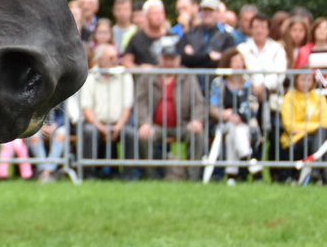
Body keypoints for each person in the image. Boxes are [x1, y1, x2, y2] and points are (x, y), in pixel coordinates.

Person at [133, 39, 208, 178]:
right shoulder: (147, 77)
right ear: (160, 59)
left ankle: (193, 177)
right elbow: (140, 103)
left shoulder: (188, 77)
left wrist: (197, 120)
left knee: (198, 135)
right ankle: (151, 177)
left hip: (182, 125)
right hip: (155, 126)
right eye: (166, 59)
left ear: (178, 60)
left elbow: (198, 102)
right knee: (144, 136)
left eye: (172, 59)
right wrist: (144, 123)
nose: (169, 62)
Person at [79, 44, 136, 179]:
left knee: (130, 133)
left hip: (119, 122)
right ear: (99, 60)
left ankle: (128, 175)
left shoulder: (125, 75)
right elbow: (87, 109)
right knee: (89, 131)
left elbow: (127, 107)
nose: (114, 61)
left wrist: (118, 127)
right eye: (110, 58)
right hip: (96, 123)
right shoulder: (89, 77)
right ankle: (89, 174)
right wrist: (102, 128)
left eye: (115, 57)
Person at [209, 54, 258, 181]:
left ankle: (232, 174)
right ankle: (248, 158)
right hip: (224, 123)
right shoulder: (219, 83)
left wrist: (239, 117)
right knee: (233, 128)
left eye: (240, 61)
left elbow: (253, 106)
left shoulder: (248, 84)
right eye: (234, 61)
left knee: (235, 132)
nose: (238, 64)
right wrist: (225, 114)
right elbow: (213, 107)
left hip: (245, 123)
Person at [277, 69, 327, 179]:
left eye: (309, 79)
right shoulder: (289, 97)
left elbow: (325, 122)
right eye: (303, 79)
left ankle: (316, 171)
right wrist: (315, 127)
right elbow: (289, 125)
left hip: (317, 135)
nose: (306, 83)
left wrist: (308, 128)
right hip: (295, 138)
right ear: (296, 81)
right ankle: (319, 171)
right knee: (320, 138)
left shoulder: (319, 97)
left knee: (320, 136)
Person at [179, 0, 236, 70]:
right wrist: (209, 56)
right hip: (193, 80)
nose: (207, 13)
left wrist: (195, 56)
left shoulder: (227, 37)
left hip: (215, 80)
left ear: (218, 12)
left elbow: (224, 62)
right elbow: (183, 59)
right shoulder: (190, 34)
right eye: (205, 10)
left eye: (211, 10)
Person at [125, 0, 171, 67]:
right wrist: (139, 69)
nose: (159, 17)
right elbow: (126, 61)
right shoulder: (136, 38)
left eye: (161, 13)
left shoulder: (172, 37)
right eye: (155, 14)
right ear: (146, 16)